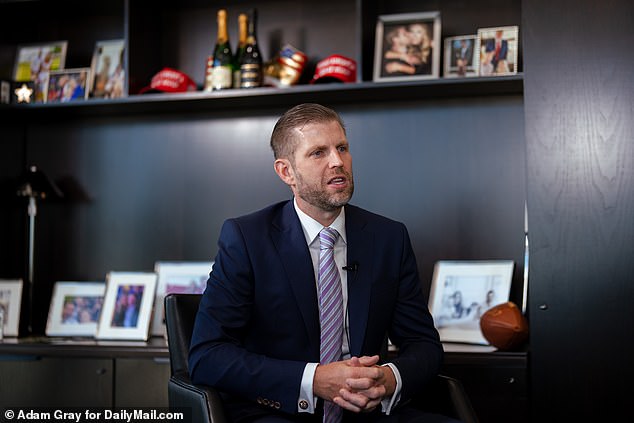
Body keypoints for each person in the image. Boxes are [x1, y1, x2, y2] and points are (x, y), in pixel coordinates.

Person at [189, 103, 457, 422]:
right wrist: (315, 381)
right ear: (286, 171)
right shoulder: (247, 239)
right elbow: (208, 356)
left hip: (367, 412)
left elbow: (423, 345)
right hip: (278, 411)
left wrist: (388, 379)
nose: (337, 161)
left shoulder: (389, 238)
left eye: (342, 148)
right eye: (319, 153)